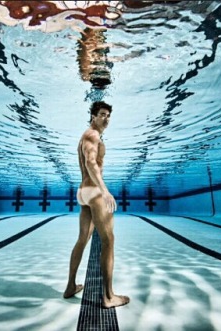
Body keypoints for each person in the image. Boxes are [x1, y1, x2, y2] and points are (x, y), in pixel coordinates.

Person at [63, 101, 130, 309]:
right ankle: (109, 296)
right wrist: (104, 190)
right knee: (108, 241)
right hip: (93, 191)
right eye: (102, 114)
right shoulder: (92, 135)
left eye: (108, 115)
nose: (106, 118)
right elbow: (92, 163)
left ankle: (70, 286)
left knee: (82, 239)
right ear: (93, 116)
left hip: (83, 192)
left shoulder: (86, 136)